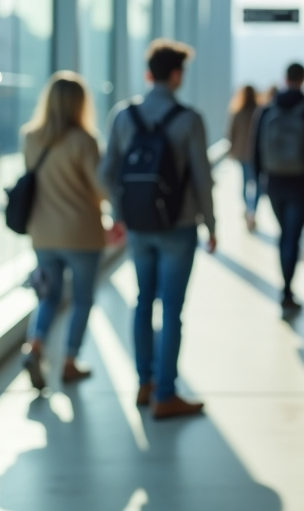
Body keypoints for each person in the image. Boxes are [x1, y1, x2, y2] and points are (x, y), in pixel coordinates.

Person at [100, 39, 216, 420]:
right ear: (177, 75)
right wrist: (212, 225)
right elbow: (202, 180)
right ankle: (166, 393)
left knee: (141, 301)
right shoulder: (189, 120)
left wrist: (120, 214)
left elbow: (106, 173)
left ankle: (144, 383)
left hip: (138, 226)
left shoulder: (123, 116)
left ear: (149, 74)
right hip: (178, 227)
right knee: (172, 310)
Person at [20, 71, 107, 391]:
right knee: (82, 299)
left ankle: (36, 344)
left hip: (42, 233)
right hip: (82, 233)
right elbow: (101, 188)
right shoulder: (85, 141)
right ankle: (70, 361)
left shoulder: (30, 137)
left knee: (48, 295)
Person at [252, 62, 304, 312]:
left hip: (274, 182)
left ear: (285, 78)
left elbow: (254, 149)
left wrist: (257, 179)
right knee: (292, 236)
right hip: (302, 183)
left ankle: (285, 285)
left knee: (284, 233)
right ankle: (287, 290)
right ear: (303, 79)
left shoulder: (267, 109)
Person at [227, 85, 262, 232]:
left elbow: (231, 134)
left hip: (241, 154)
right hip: (256, 155)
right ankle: (252, 211)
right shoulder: (259, 112)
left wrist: (231, 150)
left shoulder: (237, 112)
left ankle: (248, 209)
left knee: (245, 184)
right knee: (257, 185)